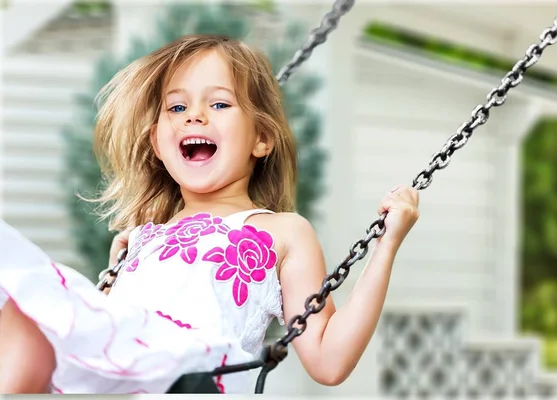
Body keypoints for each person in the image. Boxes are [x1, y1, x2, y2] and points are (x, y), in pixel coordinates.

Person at [0, 34, 419, 394]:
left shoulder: (281, 231)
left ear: (262, 139)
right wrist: (117, 271)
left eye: (219, 104)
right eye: (177, 108)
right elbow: (105, 334)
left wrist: (387, 244)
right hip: (124, 377)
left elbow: (329, 361)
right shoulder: (143, 238)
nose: (194, 115)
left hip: (199, 375)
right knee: (20, 305)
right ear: (158, 143)